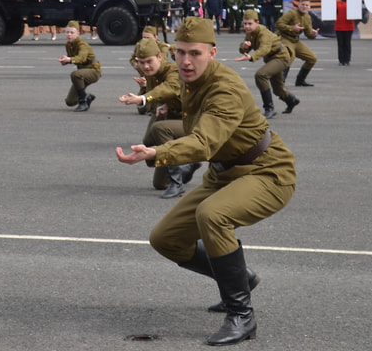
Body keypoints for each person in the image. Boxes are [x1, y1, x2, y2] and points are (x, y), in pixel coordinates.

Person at [116, 17, 297, 346]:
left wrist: (157, 151)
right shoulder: (189, 76)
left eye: (195, 53)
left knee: (213, 215)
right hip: (223, 173)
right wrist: (147, 98)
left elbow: (203, 143)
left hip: (267, 171)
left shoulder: (224, 88)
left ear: (212, 53)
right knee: (165, 238)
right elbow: (175, 93)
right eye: (180, 53)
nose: (186, 61)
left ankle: (241, 315)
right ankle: (240, 277)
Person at [119, 38, 200, 198]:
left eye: (149, 61)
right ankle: (188, 164)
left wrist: (142, 99)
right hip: (175, 115)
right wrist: (161, 103)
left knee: (160, 129)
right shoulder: (150, 74)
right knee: (157, 178)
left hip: (196, 118)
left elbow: (168, 88)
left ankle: (177, 184)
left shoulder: (173, 71)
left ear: (160, 57)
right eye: (141, 62)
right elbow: (155, 98)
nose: (146, 66)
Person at [235, 10, 299, 119]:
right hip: (271, 59)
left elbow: (265, 49)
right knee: (278, 90)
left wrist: (252, 57)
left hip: (281, 57)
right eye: (245, 24)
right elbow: (245, 48)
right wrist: (244, 47)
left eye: (250, 23)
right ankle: (292, 101)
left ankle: (269, 108)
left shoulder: (263, 33)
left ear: (257, 22)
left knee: (261, 75)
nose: (247, 26)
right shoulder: (250, 33)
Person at [275, 0, 319, 86]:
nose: (304, 6)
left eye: (307, 5)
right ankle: (280, 82)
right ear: (298, 5)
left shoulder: (307, 17)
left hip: (295, 41)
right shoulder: (292, 13)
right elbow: (278, 24)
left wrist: (313, 34)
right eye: (302, 4)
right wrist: (292, 28)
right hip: (284, 38)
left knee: (312, 58)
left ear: (309, 7)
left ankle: (300, 80)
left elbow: (308, 34)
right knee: (290, 55)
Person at [58, 20, 101, 112]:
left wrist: (69, 59)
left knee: (75, 74)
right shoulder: (68, 44)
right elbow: (73, 58)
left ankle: (83, 102)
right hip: (82, 73)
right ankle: (87, 97)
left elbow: (81, 58)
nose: (69, 34)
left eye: (72, 32)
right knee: (70, 101)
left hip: (93, 71)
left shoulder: (82, 44)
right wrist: (66, 61)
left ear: (78, 33)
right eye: (67, 32)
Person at [333, 0, 354, 66]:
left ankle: (347, 60)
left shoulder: (351, 4)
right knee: (340, 44)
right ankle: (341, 60)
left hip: (349, 26)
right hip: (339, 26)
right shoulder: (337, 3)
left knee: (347, 44)